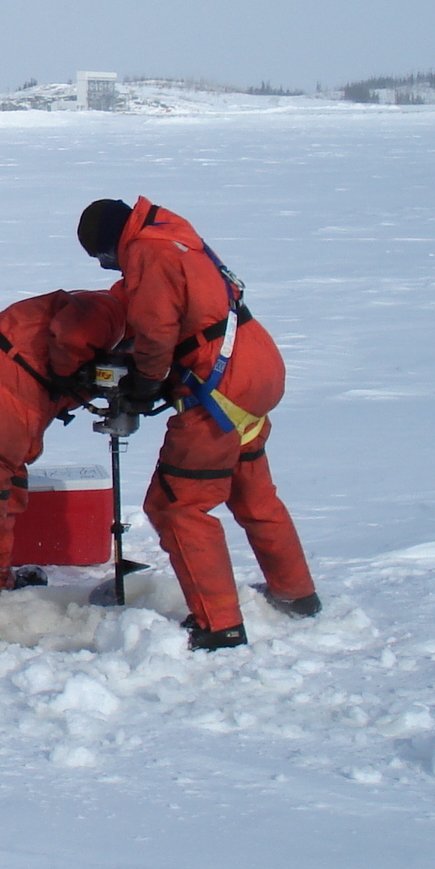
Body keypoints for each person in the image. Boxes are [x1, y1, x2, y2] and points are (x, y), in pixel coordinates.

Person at [77, 198, 320, 651]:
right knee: (252, 492)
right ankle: (296, 593)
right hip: (256, 368)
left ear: (111, 244)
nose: (108, 268)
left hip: (219, 390)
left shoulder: (147, 253)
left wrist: (145, 386)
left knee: (177, 506)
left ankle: (219, 625)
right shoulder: (171, 232)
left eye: (103, 259)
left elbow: (156, 332)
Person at [0, 288, 126, 647]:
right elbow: (71, 343)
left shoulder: (119, 320)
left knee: (4, 489)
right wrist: (72, 376)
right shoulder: (110, 311)